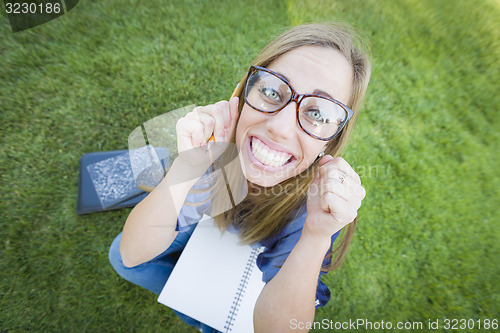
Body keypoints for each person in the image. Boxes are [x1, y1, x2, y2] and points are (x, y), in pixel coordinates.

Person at [109, 22, 371, 332]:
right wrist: (186, 168)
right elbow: (130, 254)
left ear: (329, 141)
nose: (280, 127)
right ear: (244, 93)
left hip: (260, 244)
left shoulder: (314, 203)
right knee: (120, 256)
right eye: (272, 91)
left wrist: (316, 236)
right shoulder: (218, 149)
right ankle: (202, 314)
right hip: (215, 218)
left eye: (317, 113)